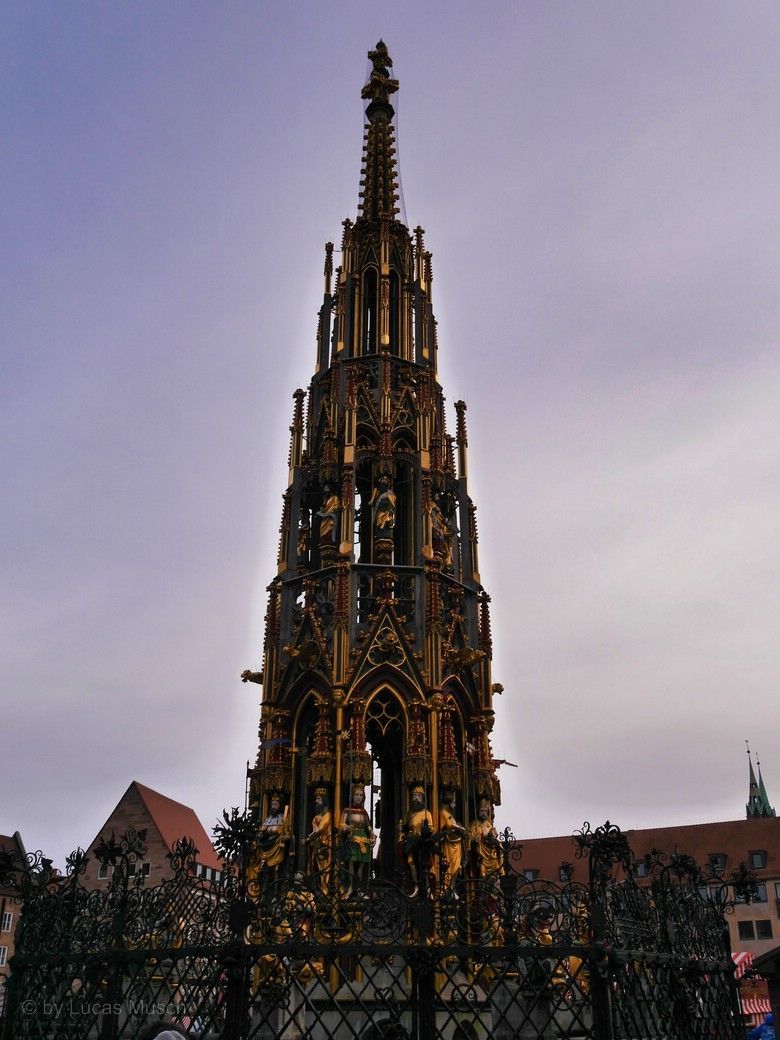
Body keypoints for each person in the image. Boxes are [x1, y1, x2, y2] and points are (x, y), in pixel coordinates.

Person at [339, 785, 375, 893]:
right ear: (352, 796)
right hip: (352, 838)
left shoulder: (364, 812)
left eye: (361, 795)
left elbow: (368, 826)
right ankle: (349, 886)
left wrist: (372, 833)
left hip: (364, 839)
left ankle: (359, 887)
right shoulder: (347, 810)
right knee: (351, 862)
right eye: (356, 795)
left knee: (361, 865)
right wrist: (347, 827)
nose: (358, 797)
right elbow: (341, 824)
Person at [401, 786, 434, 896]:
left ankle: (427, 886)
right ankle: (415, 885)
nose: (416, 798)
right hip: (410, 841)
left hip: (421, 842)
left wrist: (425, 831)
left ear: (423, 798)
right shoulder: (409, 813)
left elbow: (431, 828)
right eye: (414, 796)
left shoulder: (426, 813)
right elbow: (404, 827)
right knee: (410, 862)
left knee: (423, 864)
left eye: (419, 796)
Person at [438, 788, 466, 892]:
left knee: (457, 867)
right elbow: (446, 827)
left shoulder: (449, 814)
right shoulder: (443, 812)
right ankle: (445, 889)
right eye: (453, 802)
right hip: (448, 845)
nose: (455, 804)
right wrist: (459, 828)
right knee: (449, 868)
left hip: (456, 844)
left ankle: (452, 889)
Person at [469, 798, 503, 878]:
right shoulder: (474, 824)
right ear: (478, 812)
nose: (483, 813)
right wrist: (474, 839)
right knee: (480, 855)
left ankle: (500, 870)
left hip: (490, 849)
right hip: (480, 849)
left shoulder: (489, 824)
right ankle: (482, 874)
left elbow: (493, 835)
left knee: (499, 848)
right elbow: (470, 836)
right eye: (481, 811)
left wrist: (494, 835)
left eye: (485, 811)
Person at [257, 793, 290, 876]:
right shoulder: (268, 819)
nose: (273, 806)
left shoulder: (283, 818)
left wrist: (284, 838)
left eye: (276, 804)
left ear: (280, 806)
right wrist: (261, 834)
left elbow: (289, 835)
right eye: (272, 804)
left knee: (276, 868)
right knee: (263, 869)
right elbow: (262, 830)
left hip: (277, 846)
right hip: (267, 846)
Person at [306, 787, 332, 891]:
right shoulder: (317, 815)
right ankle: (316, 889)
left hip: (326, 845)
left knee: (324, 869)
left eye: (319, 799)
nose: (316, 801)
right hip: (317, 845)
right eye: (316, 799)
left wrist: (307, 839)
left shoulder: (327, 814)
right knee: (316, 868)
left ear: (324, 801)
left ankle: (325, 890)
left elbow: (320, 829)